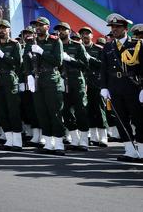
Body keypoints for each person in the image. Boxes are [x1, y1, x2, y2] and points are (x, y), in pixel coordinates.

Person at [100, 13, 143, 161]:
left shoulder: (136, 44)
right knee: (121, 119)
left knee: (139, 119)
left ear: (125, 28)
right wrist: (104, 87)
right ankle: (130, 150)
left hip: (132, 87)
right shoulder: (108, 46)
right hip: (115, 87)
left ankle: (142, 150)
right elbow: (104, 69)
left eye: (117, 27)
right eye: (112, 27)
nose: (114, 30)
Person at [27, 17, 65, 155]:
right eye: (36, 25)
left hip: (51, 78)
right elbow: (26, 60)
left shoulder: (55, 41)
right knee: (41, 112)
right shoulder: (31, 42)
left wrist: (42, 52)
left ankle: (59, 143)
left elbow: (58, 61)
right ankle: (49, 143)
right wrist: (29, 75)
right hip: (37, 79)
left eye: (40, 25)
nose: (37, 27)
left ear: (47, 27)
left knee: (54, 111)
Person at [55, 22, 91, 151]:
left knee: (81, 111)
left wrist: (70, 59)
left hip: (76, 82)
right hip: (62, 82)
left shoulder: (77, 46)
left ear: (69, 31)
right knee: (65, 111)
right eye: (59, 30)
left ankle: (84, 140)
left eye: (64, 30)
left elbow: (85, 65)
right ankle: (75, 139)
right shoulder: (55, 45)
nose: (61, 32)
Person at [0, 20, 23, 151]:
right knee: (1, 110)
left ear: (9, 30)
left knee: (13, 110)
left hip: (10, 78)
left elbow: (17, 63)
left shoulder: (15, 45)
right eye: (0, 29)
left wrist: (2, 55)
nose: (2, 31)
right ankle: (9, 140)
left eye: (4, 28)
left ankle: (18, 141)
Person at [78, 27, 108, 147]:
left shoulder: (98, 49)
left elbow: (103, 65)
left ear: (92, 35)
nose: (85, 36)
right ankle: (94, 137)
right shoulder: (79, 48)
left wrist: (91, 58)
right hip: (83, 82)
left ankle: (103, 136)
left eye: (87, 34)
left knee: (100, 109)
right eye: (83, 34)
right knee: (88, 110)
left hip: (96, 82)